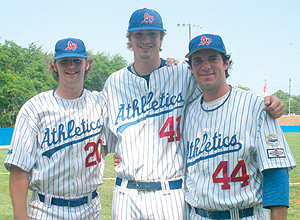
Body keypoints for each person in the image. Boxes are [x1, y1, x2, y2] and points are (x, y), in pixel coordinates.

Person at [105, 8, 285, 220]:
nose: (146, 39)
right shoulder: (114, 83)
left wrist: (271, 103)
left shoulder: (181, 74)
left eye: (152, 34)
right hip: (126, 192)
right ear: (130, 38)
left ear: (162, 38)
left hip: (170, 191)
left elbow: (219, 90)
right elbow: (106, 136)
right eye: (139, 34)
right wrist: (122, 153)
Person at [183, 34, 296, 220]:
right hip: (197, 215)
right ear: (191, 68)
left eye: (213, 58)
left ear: (226, 63)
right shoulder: (188, 113)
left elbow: (276, 172)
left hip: (243, 214)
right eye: (198, 61)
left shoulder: (256, 107)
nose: (206, 66)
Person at [4, 38, 115, 220]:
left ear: (87, 64)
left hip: (90, 208)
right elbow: (19, 169)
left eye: (76, 61)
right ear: (54, 65)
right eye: (64, 61)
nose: (71, 66)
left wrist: (166, 66)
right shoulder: (34, 108)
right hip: (45, 209)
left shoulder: (101, 104)